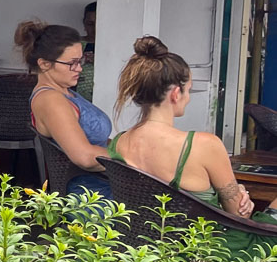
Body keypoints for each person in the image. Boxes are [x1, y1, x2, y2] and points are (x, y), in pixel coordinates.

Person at [108, 37, 275, 248]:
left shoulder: (119, 143)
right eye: (189, 90)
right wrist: (240, 194)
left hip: (145, 250)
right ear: (176, 93)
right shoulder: (203, 145)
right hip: (209, 253)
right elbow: (239, 214)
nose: (188, 97)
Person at [17, 19, 111, 200]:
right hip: (91, 197)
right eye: (72, 63)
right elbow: (84, 157)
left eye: (80, 61)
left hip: (105, 184)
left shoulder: (64, 92)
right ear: (44, 64)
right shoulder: (51, 100)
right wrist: (132, 158)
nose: (79, 68)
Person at [80, 1, 97, 100]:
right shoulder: (74, 44)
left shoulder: (113, 47)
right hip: (76, 97)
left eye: (98, 23)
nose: (94, 28)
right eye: (90, 24)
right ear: (84, 23)